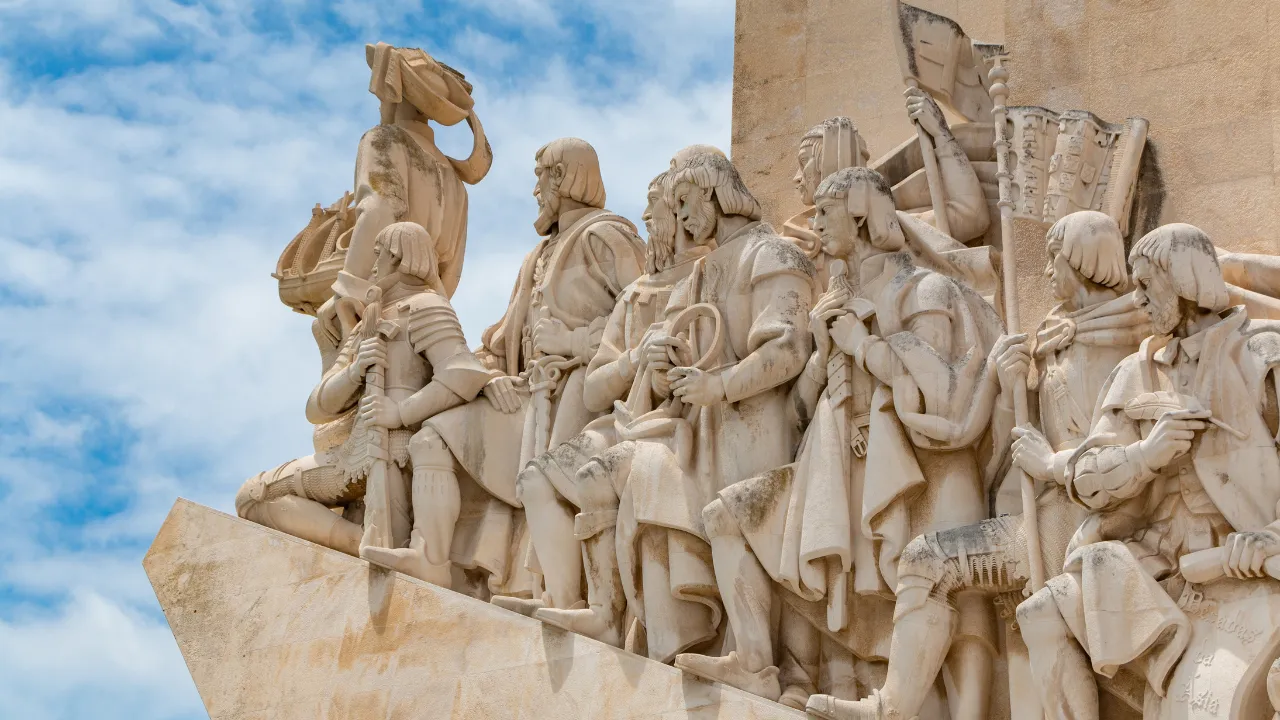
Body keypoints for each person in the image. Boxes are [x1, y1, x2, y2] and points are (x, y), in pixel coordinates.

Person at [805, 210, 1148, 720]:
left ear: (1082, 262)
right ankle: (891, 706)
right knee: (926, 560)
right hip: (1044, 514)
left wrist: (1052, 463)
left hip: (1084, 523)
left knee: (933, 562)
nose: (1047, 270)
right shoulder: (1058, 338)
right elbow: (995, 435)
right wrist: (1010, 384)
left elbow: (1117, 456)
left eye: (1057, 258)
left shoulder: (1124, 346)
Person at [533, 152, 816, 665]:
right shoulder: (698, 277)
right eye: (674, 207)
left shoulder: (773, 253)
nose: (681, 219)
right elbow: (670, 352)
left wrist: (720, 385)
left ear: (712, 193)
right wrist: (661, 362)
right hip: (699, 430)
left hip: (753, 426)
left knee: (731, 522)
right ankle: (662, 648)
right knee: (626, 472)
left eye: (685, 203)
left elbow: (789, 349)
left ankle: (746, 657)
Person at [1016, 224, 1280, 719]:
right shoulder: (1135, 372)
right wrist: (1145, 455)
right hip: (1155, 567)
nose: (1137, 300)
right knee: (1041, 612)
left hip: (1244, 558)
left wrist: (1271, 537)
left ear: (1183, 282)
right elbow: (1086, 478)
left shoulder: (1263, 355)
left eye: (1146, 286)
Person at [363, 138, 646, 590]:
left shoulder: (605, 235)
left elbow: (645, 313)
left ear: (565, 178)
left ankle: (560, 593)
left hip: (584, 395)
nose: (536, 191)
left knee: (547, 481)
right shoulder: (534, 259)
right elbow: (500, 340)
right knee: (432, 436)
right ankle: (430, 557)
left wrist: (573, 340)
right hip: (528, 395)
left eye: (542, 178)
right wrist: (487, 375)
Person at [492, 147, 725, 619]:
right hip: (620, 419)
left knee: (593, 473)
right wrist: (634, 360)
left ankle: (604, 611)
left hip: (681, 425)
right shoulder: (636, 297)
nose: (643, 217)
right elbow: (598, 387)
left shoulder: (710, 279)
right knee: (535, 479)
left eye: (654, 208)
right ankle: (564, 599)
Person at [236, 222, 492, 556]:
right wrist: (354, 369)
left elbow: (462, 374)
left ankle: (374, 545)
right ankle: (359, 544)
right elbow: (318, 408)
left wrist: (402, 412)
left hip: (398, 448)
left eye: (379, 254)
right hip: (353, 453)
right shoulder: (366, 324)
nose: (373, 264)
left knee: (257, 496)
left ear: (398, 256)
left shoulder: (425, 306)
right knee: (253, 496)